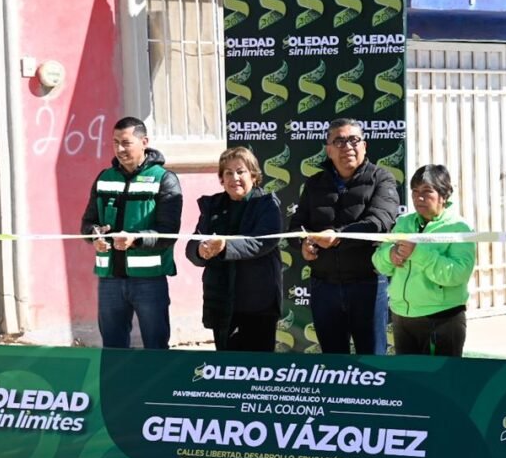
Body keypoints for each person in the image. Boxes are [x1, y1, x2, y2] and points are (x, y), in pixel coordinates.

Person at [289, 118, 399, 354]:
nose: (347, 146)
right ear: (328, 150)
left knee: (372, 361)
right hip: (324, 287)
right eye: (338, 141)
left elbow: (380, 223)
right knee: (333, 363)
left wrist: (337, 237)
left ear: (364, 146)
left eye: (353, 140)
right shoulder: (314, 183)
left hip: (367, 284)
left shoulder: (382, 179)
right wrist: (303, 243)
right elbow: (296, 225)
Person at [80, 117, 182, 349]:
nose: (119, 149)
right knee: (113, 349)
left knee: (156, 347)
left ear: (144, 142)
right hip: (109, 280)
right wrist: (95, 235)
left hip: (150, 280)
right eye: (115, 143)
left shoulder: (165, 179)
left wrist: (135, 240)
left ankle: (158, 387)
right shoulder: (104, 178)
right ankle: (118, 387)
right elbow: (87, 224)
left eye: (126, 143)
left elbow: (169, 233)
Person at [373, 165, 475, 357]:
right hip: (402, 316)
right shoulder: (404, 222)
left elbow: (458, 274)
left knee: (441, 383)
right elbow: (378, 262)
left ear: (444, 195)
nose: (419, 198)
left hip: (442, 318)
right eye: (415, 192)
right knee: (410, 382)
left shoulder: (459, 227)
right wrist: (391, 255)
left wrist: (417, 252)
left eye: (427, 192)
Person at [186, 147, 282, 351]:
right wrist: (201, 251)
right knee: (227, 368)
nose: (234, 178)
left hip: (258, 304)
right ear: (221, 179)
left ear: (254, 176)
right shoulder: (212, 206)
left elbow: (262, 242)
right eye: (228, 173)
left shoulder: (266, 204)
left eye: (240, 171)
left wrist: (224, 247)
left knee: (258, 369)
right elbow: (192, 245)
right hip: (221, 303)